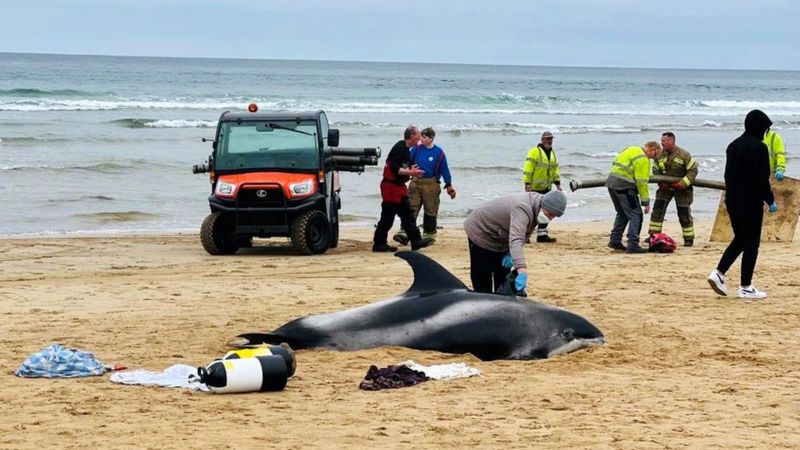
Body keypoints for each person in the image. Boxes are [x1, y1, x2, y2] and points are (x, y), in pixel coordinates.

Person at [707, 110, 778, 299]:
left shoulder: (733, 146)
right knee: (752, 244)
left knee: (741, 239)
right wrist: (770, 200)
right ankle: (746, 286)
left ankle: (719, 273)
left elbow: (728, 175)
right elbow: (761, 179)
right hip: (751, 202)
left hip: (732, 200)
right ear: (760, 128)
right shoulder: (759, 148)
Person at [463, 190, 567, 294]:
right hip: (481, 230)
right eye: (549, 214)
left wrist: (509, 253)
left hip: (501, 235)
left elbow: (525, 234)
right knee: (483, 279)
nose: (549, 218)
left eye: (553, 216)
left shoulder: (537, 209)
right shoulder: (523, 208)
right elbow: (516, 239)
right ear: (543, 205)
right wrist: (521, 270)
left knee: (502, 277)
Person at [372, 126, 433, 253]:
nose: (420, 138)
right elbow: (395, 168)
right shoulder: (399, 148)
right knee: (403, 215)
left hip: (397, 187)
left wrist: (413, 171)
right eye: (418, 135)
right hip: (391, 187)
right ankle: (414, 241)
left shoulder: (407, 149)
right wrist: (411, 172)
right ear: (411, 136)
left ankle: (380, 243)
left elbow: (406, 166)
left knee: (393, 217)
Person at [393, 127, 456, 246]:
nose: (421, 139)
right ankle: (405, 233)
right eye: (421, 136)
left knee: (430, 210)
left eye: (425, 137)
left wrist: (449, 185)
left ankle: (429, 234)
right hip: (415, 183)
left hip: (431, 184)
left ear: (431, 138)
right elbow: (407, 163)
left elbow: (444, 170)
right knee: (411, 207)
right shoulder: (415, 150)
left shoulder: (439, 152)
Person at [607, 141, 662, 253]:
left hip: (611, 184)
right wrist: (645, 203)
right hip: (625, 187)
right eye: (655, 155)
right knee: (635, 215)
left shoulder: (631, 149)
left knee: (622, 213)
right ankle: (633, 244)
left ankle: (615, 240)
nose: (653, 158)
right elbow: (642, 182)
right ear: (652, 149)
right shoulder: (643, 159)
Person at [648, 132, 699, 246]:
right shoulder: (660, 155)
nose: (661, 143)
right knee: (657, 211)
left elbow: (693, 171)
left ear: (671, 141)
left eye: (664, 141)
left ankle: (688, 239)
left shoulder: (684, 154)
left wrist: (682, 183)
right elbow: (655, 170)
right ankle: (653, 235)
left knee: (684, 214)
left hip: (682, 189)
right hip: (665, 188)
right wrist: (661, 182)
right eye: (661, 141)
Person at [521, 131, 562, 243]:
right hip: (534, 188)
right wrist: (527, 183)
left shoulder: (552, 153)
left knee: (546, 212)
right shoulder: (534, 152)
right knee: (531, 213)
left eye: (551, 139)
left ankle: (542, 235)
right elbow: (528, 168)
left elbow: (554, 169)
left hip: (547, 187)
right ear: (542, 140)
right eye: (548, 139)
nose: (550, 141)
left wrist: (557, 183)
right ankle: (526, 236)